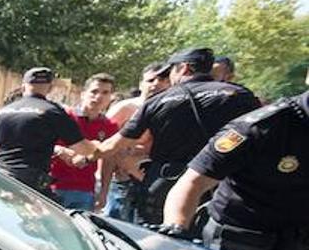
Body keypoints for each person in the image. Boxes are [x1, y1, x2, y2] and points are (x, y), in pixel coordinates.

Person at [97, 48, 261, 224]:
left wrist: (87, 153)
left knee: (150, 242)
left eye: (171, 72)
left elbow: (115, 145)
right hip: (219, 188)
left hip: (164, 185)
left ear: (184, 68)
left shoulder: (159, 101)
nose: (169, 79)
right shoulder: (240, 95)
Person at [160, 89, 309, 250]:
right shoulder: (259, 127)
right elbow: (192, 182)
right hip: (240, 243)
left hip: (298, 247)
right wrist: (175, 229)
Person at [0, 67, 97, 197]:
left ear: (23, 86)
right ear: (50, 88)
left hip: (3, 180)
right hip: (32, 186)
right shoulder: (53, 112)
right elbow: (83, 148)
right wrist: (97, 145)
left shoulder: (5, 110)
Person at [99, 63, 170, 222]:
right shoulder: (126, 108)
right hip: (122, 179)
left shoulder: (171, 108)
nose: (155, 84)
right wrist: (103, 180)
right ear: (141, 83)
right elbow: (105, 143)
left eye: (162, 80)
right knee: (114, 226)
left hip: (152, 180)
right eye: (151, 80)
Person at [50, 74, 117, 210]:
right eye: (94, 91)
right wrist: (59, 150)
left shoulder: (110, 126)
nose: (98, 97)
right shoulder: (64, 116)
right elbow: (41, 143)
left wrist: (104, 192)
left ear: (110, 97)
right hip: (54, 186)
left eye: (105, 93)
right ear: (83, 94)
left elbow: (108, 160)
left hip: (85, 190)